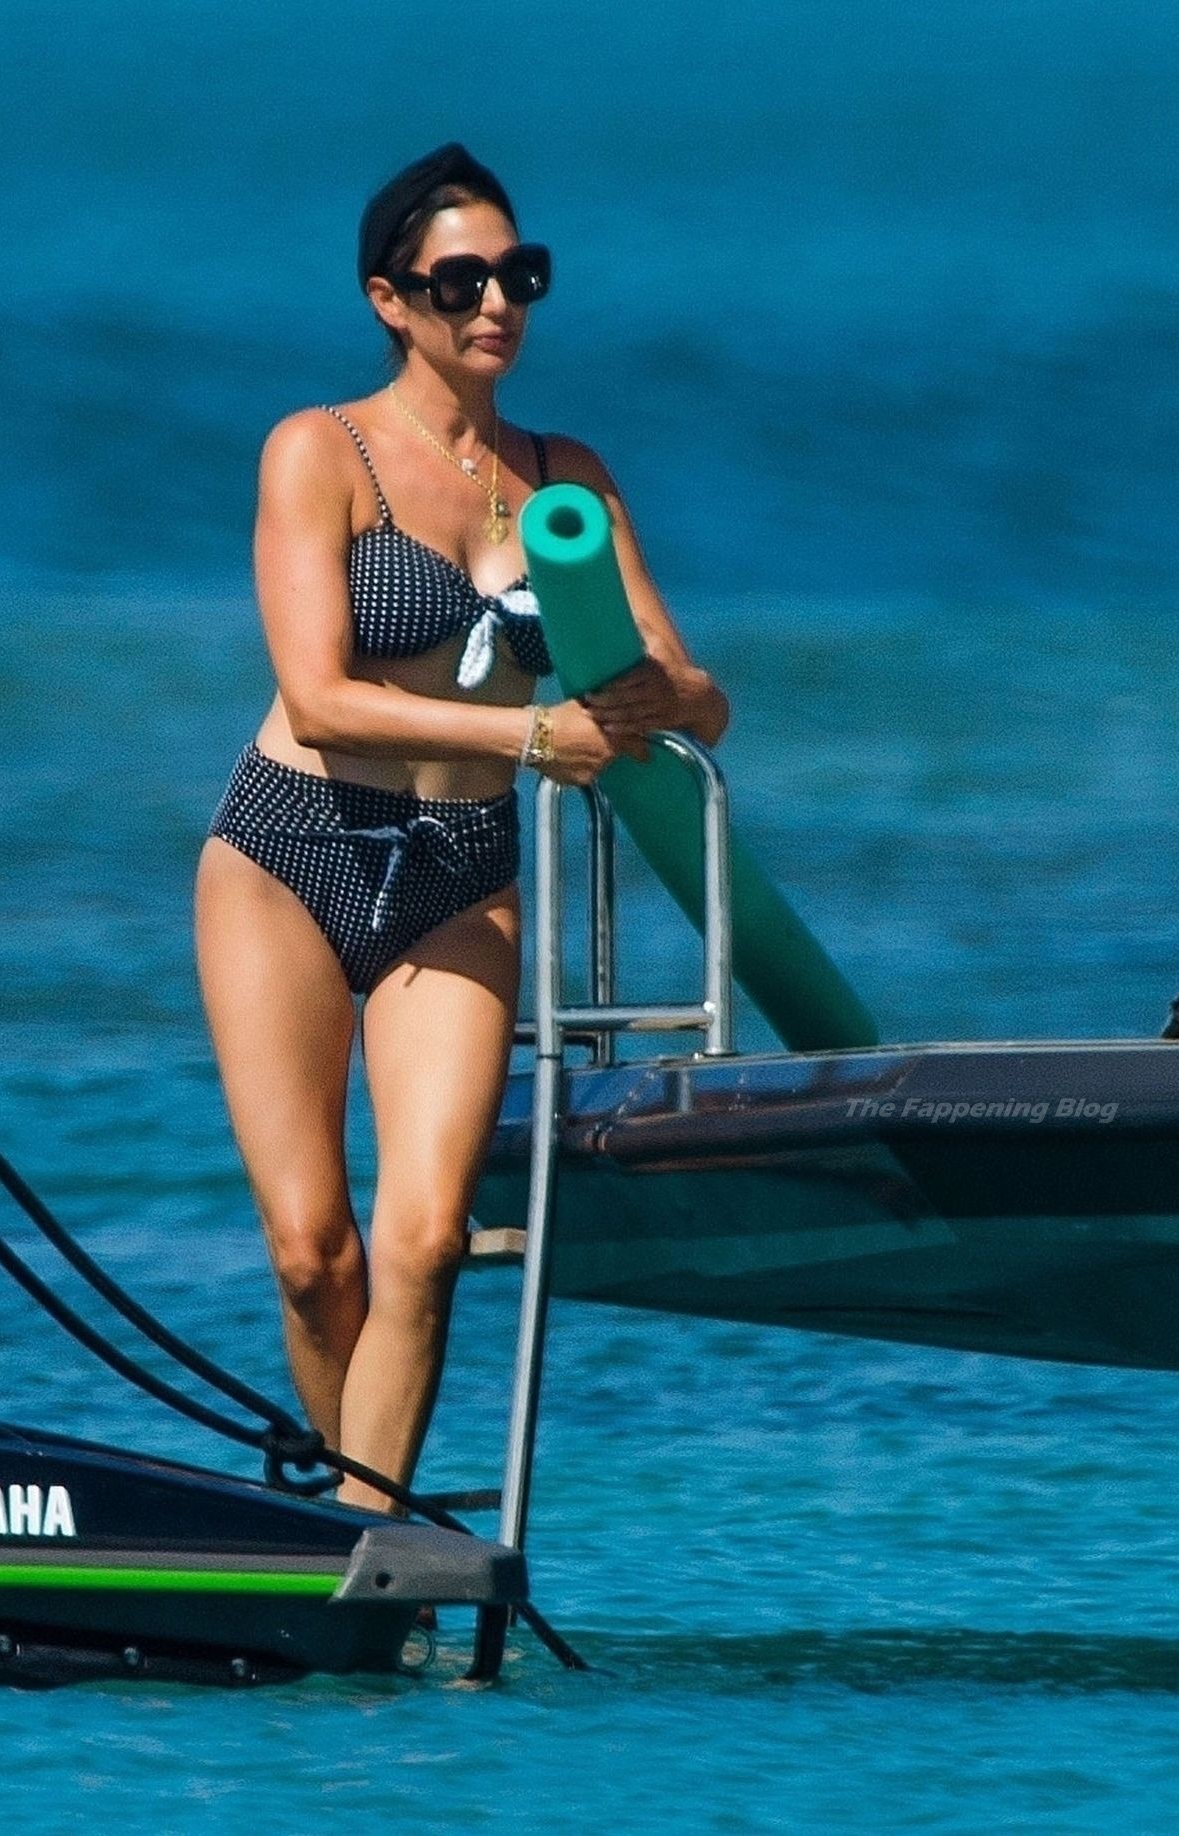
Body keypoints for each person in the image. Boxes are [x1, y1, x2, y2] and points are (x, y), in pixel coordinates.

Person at [194, 142, 729, 1513]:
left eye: (519, 276)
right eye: (461, 280)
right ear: (390, 299)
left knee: (426, 1240)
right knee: (314, 1254)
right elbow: (319, 701)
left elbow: (698, 698)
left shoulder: (566, 477)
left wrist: (653, 696)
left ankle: (366, 1554)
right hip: (292, 851)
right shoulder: (320, 451)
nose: (496, 302)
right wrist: (536, 737)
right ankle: (339, 1535)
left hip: (460, 869)